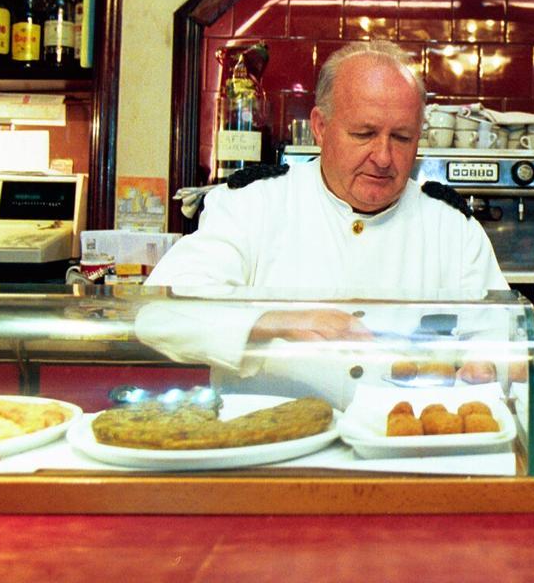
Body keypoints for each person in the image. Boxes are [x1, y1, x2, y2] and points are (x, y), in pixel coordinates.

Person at [140, 41, 514, 400]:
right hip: (268, 448)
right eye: (363, 134)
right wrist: (274, 322)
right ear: (320, 126)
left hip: (406, 446)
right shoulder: (254, 205)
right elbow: (160, 313)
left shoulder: (451, 227)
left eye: (401, 137)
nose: (383, 157)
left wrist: (490, 363)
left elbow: (504, 337)